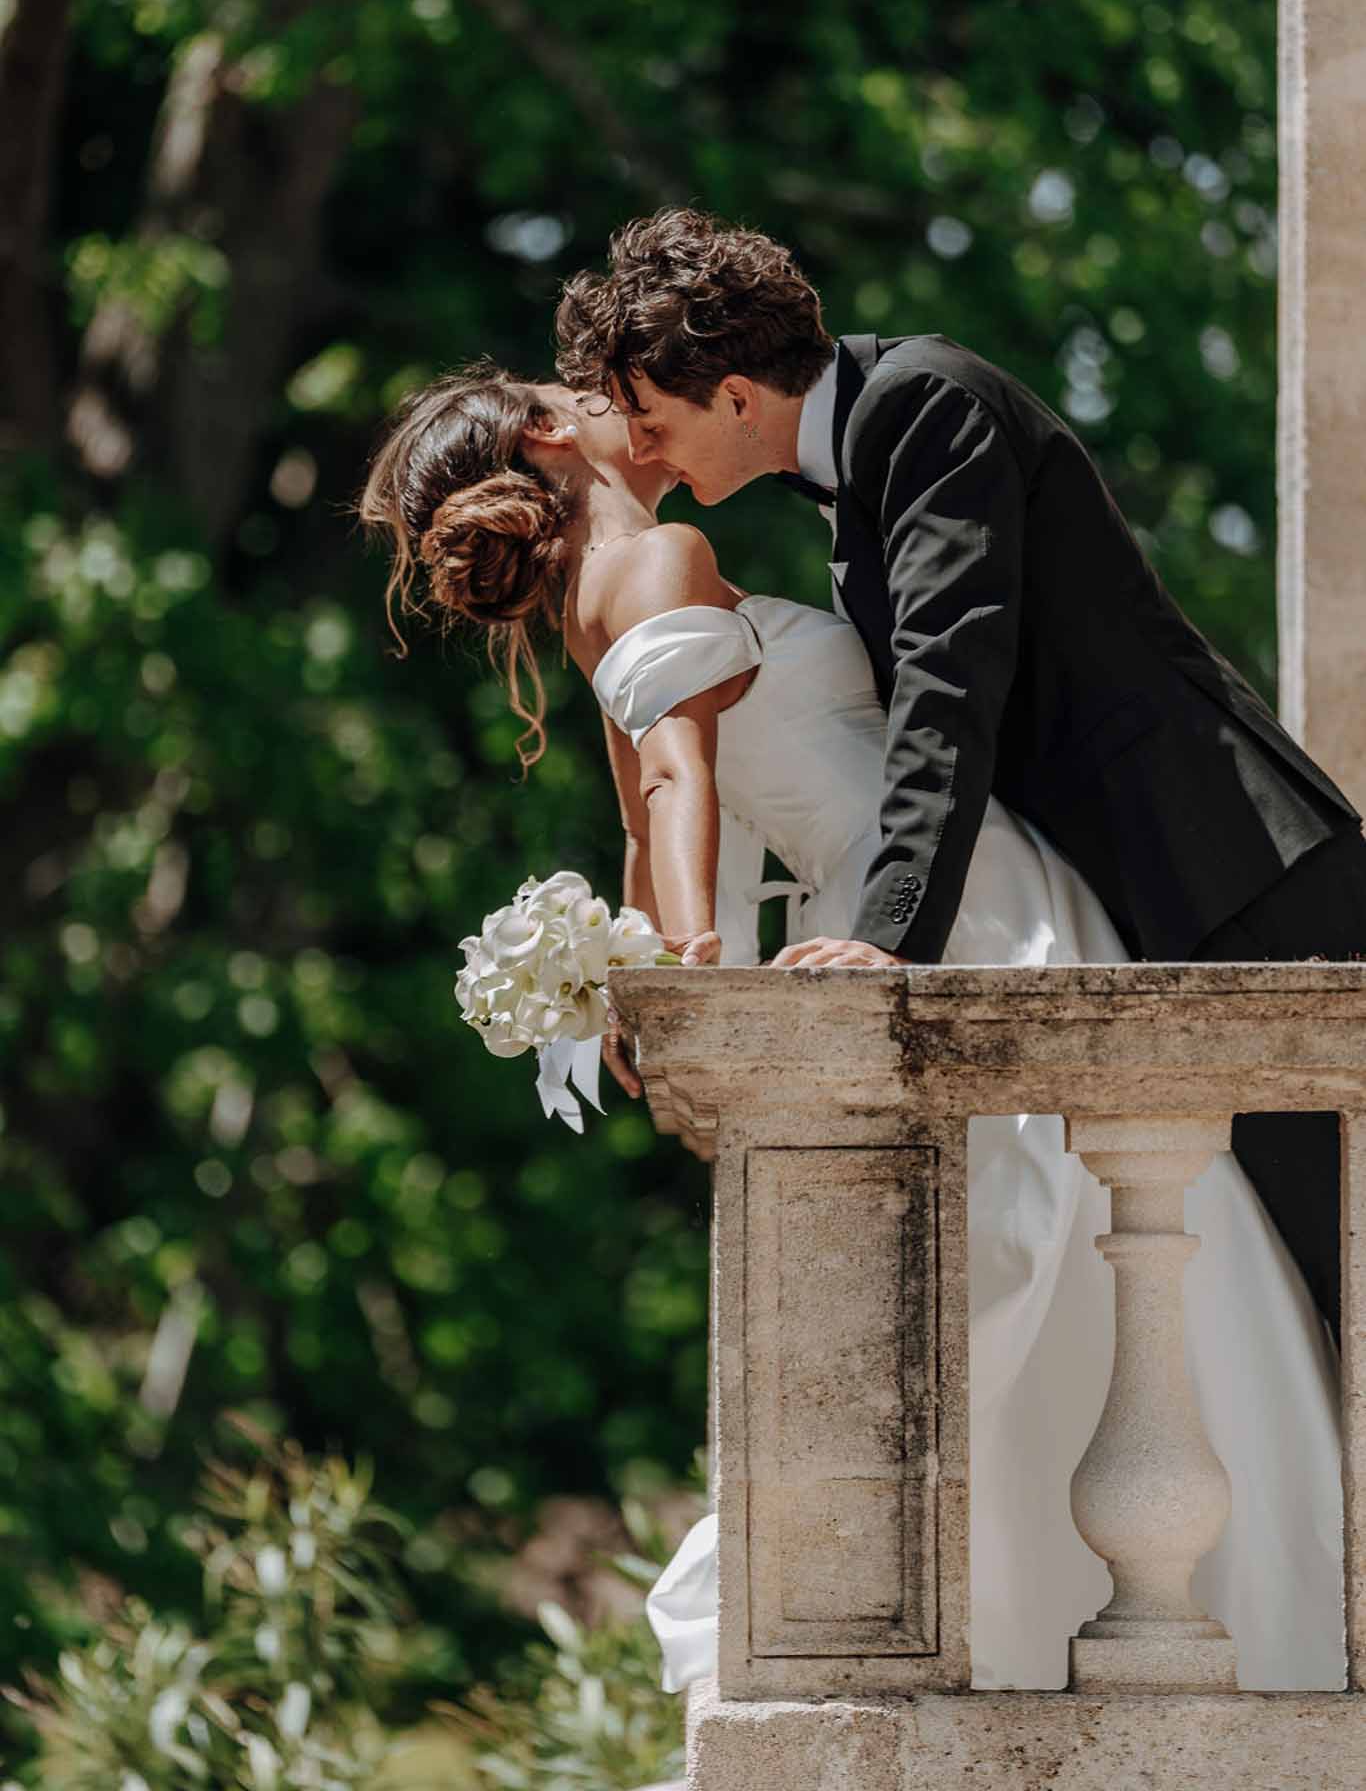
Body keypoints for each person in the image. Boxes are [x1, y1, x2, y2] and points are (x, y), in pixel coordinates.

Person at [356, 363, 1344, 1690]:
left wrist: (639, 966)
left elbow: (642, 825)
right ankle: (800, 1549)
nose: (613, 404)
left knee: (1030, 1250)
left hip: (875, 904)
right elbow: (675, 786)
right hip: (959, 903)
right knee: (1007, 1249)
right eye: (576, 392)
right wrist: (689, 957)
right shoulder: (666, 553)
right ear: (544, 433)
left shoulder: (595, 616)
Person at [553, 207, 1366, 1349]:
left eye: (652, 418)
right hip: (1145, 884)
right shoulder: (845, 453)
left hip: (1227, 867)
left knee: (1342, 1260)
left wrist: (889, 940)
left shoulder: (927, 404)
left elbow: (949, 680)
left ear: (736, 394)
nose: (642, 451)